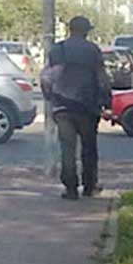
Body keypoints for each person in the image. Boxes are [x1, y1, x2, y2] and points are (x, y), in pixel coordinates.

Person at [42, 15, 110, 201]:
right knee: (89, 148)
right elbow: (101, 77)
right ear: (86, 31)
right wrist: (107, 102)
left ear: (70, 30)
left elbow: (47, 76)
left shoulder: (58, 49)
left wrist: (50, 97)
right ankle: (89, 186)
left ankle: (70, 188)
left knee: (67, 148)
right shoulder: (92, 50)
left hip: (62, 106)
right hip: (87, 106)